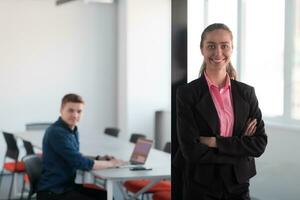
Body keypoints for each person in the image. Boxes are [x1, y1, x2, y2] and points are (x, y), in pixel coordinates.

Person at [174, 23, 268, 200]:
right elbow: (191, 151)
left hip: (238, 185)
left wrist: (214, 142)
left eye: (224, 45)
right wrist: (240, 149)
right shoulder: (187, 93)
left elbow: (259, 144)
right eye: (211, 46)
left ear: (232, 48)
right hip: (201, 185)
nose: (218, 53)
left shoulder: (247, 93)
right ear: (202, 49)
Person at [37, 93, 124, 200]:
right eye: (71, 110)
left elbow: (76, 157)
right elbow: (79, 162)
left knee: (107, 197)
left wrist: (98, 159)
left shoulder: (72, 130)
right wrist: (110, 163)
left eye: (79, 111)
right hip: (54, 192)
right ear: (61, 110)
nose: (75, 115)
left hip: (67, 187)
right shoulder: (57, 132)